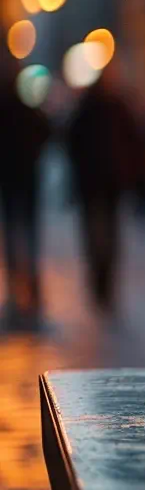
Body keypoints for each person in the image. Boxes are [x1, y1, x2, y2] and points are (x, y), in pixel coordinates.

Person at [65, 61, 145, 312]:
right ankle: (99, 283)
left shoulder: (116, 107)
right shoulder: (93, 107)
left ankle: (105, 284)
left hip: (109, 183)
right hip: (95, 183)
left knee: (107, 235)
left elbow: (134, 145)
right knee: (98, 235)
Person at [0, 52, 50, 322]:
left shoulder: (7, 104)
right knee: (27, 237)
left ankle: (18, 291)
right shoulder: (25, 104)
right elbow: (45, 130)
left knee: (16, 237)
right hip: (24, 180)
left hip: (13, 181)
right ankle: (30, 290)